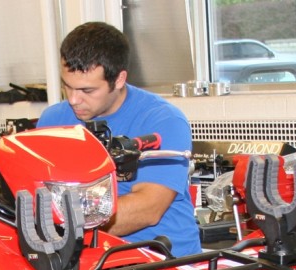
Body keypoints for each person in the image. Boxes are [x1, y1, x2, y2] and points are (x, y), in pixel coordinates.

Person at [38, 22, 201, 256]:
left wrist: (62, 221)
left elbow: (148, 209)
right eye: (67, 86)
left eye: (87, 90)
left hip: (160, 259)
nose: (73, 100)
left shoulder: (163, 120)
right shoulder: (52, 120)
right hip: (84, 258)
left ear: (119, 79)